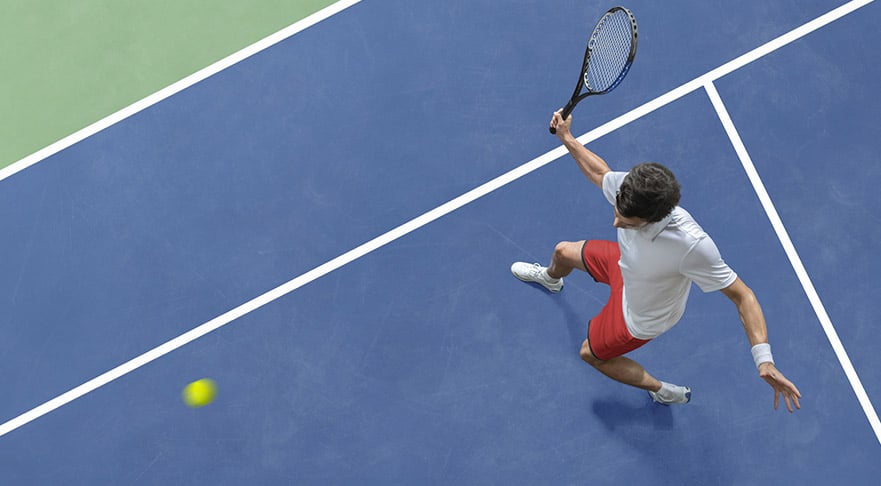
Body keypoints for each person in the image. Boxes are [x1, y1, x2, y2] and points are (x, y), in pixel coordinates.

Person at [511, 110, 802, 411]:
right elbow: (600, 174)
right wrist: (567, 138)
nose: (615, 224)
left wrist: (763, 359)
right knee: (562, 252)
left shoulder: (692, 246)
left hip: (640, 315)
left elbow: (743, 296)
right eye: (616, 212)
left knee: (590, 354)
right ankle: (551, 278)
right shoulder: (633, 189)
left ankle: (660, 389)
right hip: (626, 267)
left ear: (654, 218)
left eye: (626, 222)